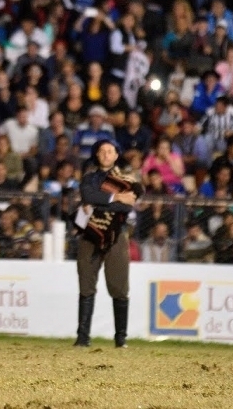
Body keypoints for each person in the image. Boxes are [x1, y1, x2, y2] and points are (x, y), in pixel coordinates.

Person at [74, 139, 141, 348]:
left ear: (116, 155)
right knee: (86, 282)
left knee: (119, 285)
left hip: (116, 234)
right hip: (91, 234)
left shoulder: (127, 179)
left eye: (110, 151)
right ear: (96, 155)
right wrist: (117, 197)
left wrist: (100, 202)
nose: (105, 154)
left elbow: (127, 207)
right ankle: (82, 336)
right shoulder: (89, 178)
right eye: (102, 151)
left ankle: (121, 338)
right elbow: (87, 194)